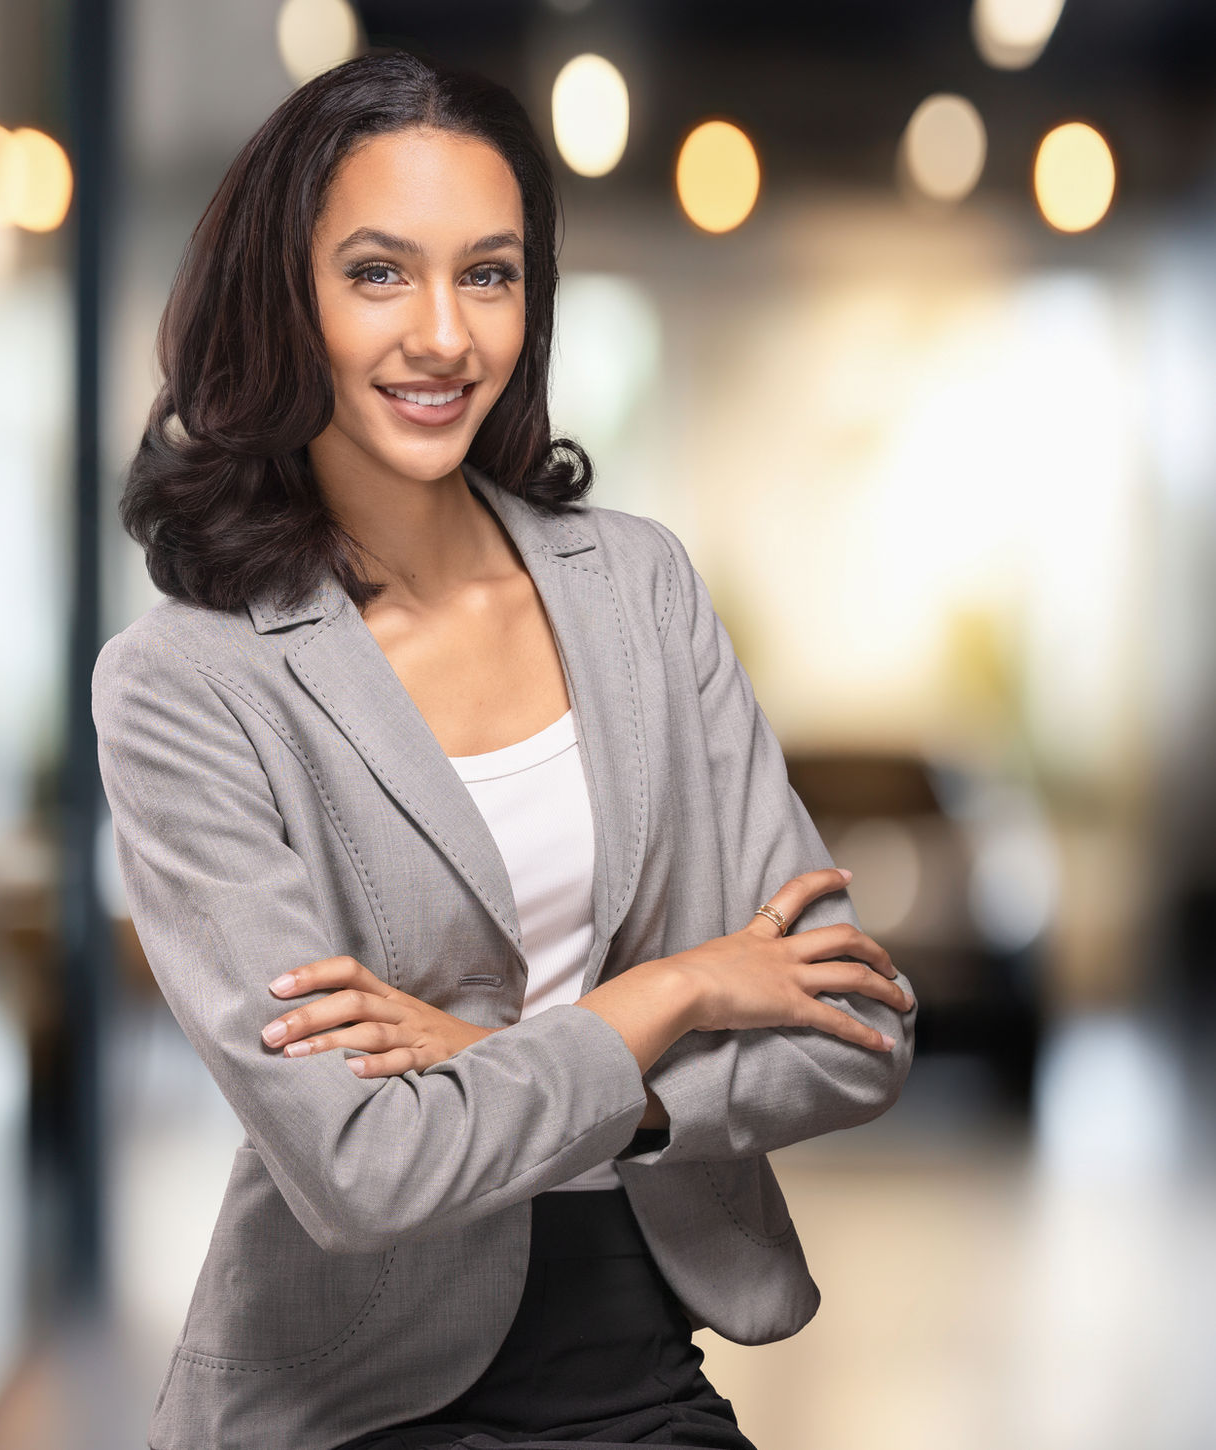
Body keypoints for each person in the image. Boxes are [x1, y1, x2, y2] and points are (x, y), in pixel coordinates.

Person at [93, 49, 917, 1450]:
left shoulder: (638, 591)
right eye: (377, 273)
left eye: (488, 274)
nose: (443, 335)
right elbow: (362, 1167)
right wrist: (672, 992)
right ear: (282, 299)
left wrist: (487, 1059)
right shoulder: (186, 683)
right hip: (343, 1395)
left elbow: (856, 1029)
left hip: (639, 1361)